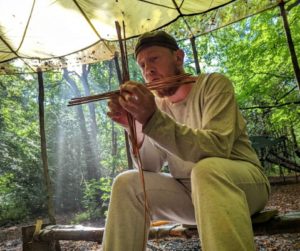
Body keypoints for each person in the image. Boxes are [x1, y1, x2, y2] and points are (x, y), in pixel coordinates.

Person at [102, 30, 270, 251]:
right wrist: (134, 126)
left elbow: (217, 146)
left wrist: (153, 119)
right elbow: (149, 166)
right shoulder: (157, 106)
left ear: (178, 58)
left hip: (241, 186)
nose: (148, 70)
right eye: (142, 65)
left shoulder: (214, 85)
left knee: (207, 170)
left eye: (154, 59)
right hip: (188, 194)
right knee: (126, 183)